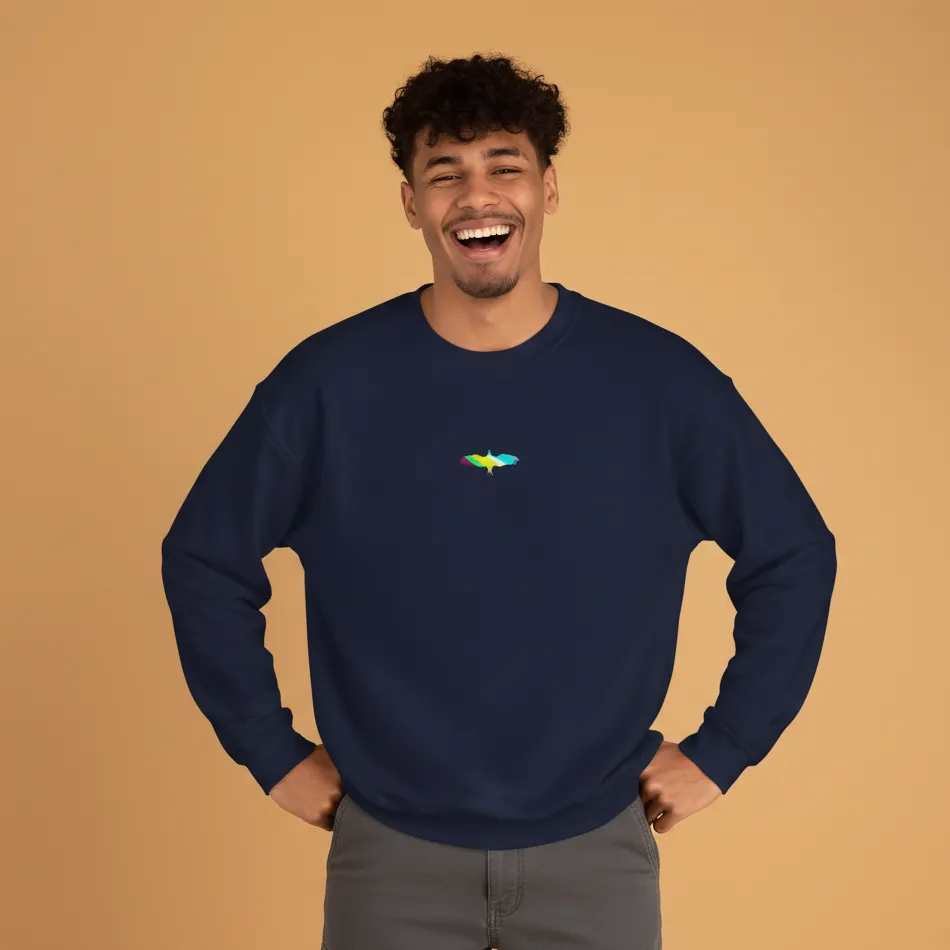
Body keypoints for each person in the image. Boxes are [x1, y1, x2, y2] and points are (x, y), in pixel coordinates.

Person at [161, 52, 837, 950]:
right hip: (389, 857)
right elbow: (203, 557)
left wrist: (726, 748)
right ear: (412, 203)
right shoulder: (328, 384)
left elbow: (794, 553)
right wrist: (269, 750)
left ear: (547, 188)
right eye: (445, 174)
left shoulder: (658, 382)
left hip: (596, 854)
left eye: (503, 167)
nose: (476, 197)